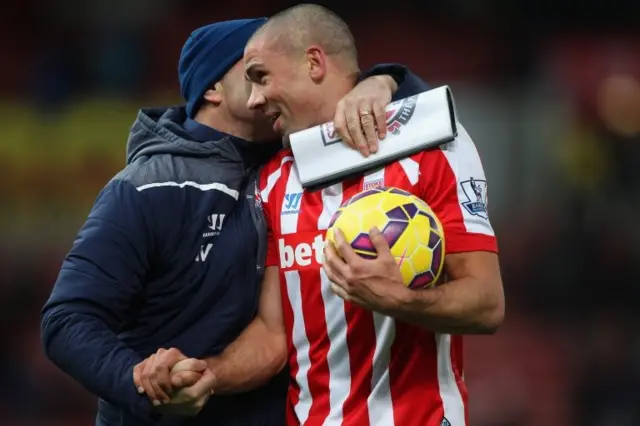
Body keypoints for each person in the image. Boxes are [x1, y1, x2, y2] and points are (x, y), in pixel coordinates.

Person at [135, 4, 504, 426]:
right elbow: (274, 336)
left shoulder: (432, 152)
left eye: (262, 77)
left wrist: (397, 300)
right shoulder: (274, 181)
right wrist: (208, 375)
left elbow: (487, 304)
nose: (255, 99)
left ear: (313, 62)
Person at [40, 16, 419, 426]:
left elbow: (426, 115)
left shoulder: (295, 163)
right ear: (212, 89)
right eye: (255, 70)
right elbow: (65, 320)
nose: (274, 80)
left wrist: (383, 81)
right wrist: (138, 381)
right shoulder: (145, 188)